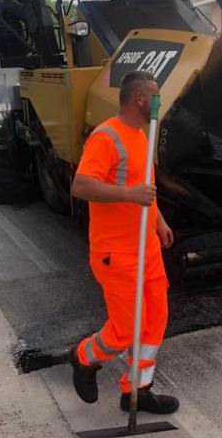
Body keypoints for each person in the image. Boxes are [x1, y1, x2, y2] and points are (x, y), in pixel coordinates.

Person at [68, 70, 179, 415]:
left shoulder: (140, 136)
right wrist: (129, 194)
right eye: (156, 94)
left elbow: (144, 186)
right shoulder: (106, 136)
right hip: (117, 254)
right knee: (125, 330)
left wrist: (159, 220)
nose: (160, 100)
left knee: (154, 320)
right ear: (140, 99)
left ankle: (138, 390)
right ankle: (84, 357)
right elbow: (81, 186)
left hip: (146, 250)